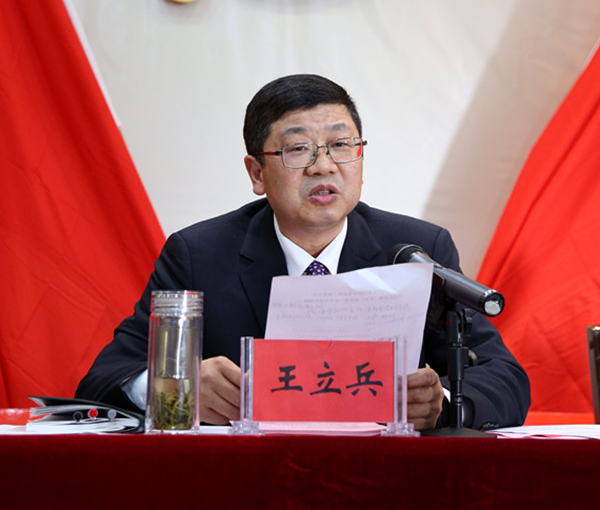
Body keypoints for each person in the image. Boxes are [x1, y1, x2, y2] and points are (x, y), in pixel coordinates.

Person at [76, 74, 530, 430]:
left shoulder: (416, 251)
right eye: (298, 149)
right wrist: (179, 387)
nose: (324, 165)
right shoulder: (198, 255)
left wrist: (442, 403)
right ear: (257, 173)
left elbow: (505, 378)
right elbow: (104, 378)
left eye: (341, 145)